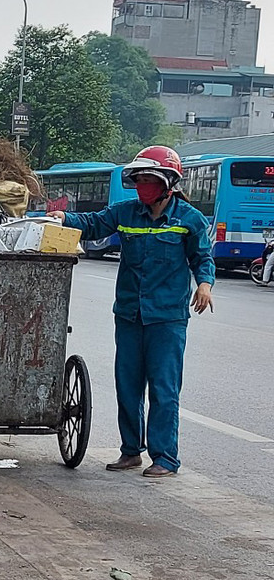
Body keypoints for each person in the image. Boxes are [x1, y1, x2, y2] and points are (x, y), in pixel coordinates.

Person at [48, 146, 214, 478]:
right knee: (128, 385)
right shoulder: (126, 213)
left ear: (168, 183)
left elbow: (203, 259)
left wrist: (205, 284)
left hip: (167, 318)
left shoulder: (189, 220)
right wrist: (63, 218)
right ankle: (130, 451)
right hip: (128, 314)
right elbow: (94, 224)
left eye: (149, 180)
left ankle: (165, 457)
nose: (142, 187)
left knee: (164, 389)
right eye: (139, 181)